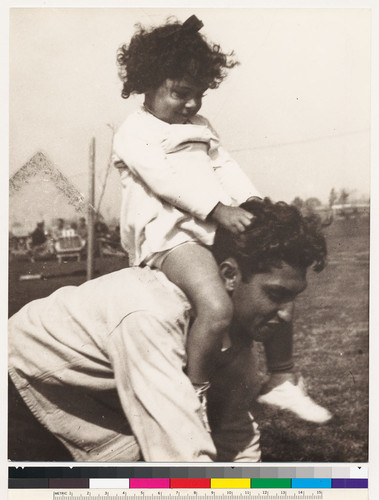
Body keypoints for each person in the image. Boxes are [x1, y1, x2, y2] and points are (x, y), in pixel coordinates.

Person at [113, 15, 331, 423]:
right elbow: (165, 181)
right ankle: (193, 394)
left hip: (207, 229)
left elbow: (224, 168)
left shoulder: (199, 126)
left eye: (198, 95)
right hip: (168, 239)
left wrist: (252, 202)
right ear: (147, 81)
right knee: (215, 306)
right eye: (181, 93)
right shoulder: (134, 132)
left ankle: (281, 378)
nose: (192, 104)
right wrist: (218, 210)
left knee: (274, 288)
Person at [8, 198, 327, 462]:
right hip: (20, 388)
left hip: (88, 394)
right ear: (229, 275)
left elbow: (235, 436)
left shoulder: (231, 332)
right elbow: (180, 463)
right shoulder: (153, 314)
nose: (287, 315)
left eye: (293, 297)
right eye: (276, 295)